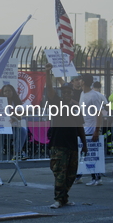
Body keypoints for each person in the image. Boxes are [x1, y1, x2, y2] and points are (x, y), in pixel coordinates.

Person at [45, 63, 87, 209]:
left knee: (71, 174)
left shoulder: (76, 107)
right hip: (59, 144)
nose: (66, 94)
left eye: (69, 92)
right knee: (60, 174)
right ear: (62, 93)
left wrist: (84, 144)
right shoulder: (56, 103)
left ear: (72, 93)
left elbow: (80, 127)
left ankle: (64, 197)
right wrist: (47, 73)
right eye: (64, 92)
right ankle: (58, 199)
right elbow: (50, 90)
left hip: (72, 145)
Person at [77, 74, 108, 186]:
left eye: (80, 79)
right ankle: (79, 176)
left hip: (91, 128)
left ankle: (97, 177)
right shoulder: (82, 94)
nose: (79, 81)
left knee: (91, 154)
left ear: (84, 82)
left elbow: (98, 113)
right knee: (83, 153)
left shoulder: (93, 96)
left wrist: (96, 130)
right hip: (84, 127)